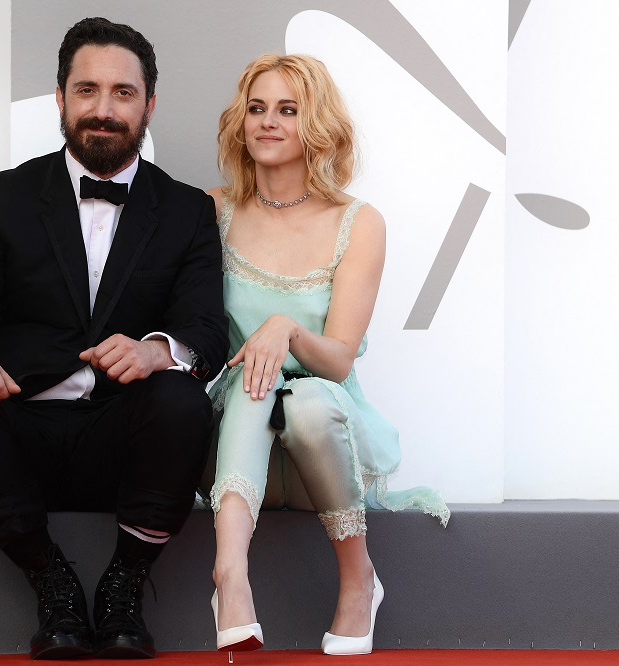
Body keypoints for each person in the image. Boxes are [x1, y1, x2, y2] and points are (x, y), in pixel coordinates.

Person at [0, 17, 228, 661]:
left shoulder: (188, 209)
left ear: (148, 104)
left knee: (182, 401)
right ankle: (50, 579)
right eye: (87, 90)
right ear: (60, 99)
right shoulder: (0, 198)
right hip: (22, 436)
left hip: (124, 446)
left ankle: (124, 585)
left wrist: (156, 350)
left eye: (123, 92)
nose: (104, 109)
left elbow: (204, 328)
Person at [205, 54, 449, 656]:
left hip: (324, 447)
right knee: (252, 381)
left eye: (288, 110)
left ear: (316, 125)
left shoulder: (357, 222)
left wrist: (285, 329)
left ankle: (358, 578)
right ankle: (229, 575)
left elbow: (337, 360)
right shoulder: (213, 211)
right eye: (256, 109)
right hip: (242, 439)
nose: (268, 122)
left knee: (308, 398)